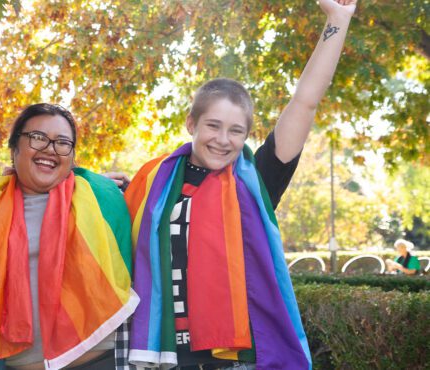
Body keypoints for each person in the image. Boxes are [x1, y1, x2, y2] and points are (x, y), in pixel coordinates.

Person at [122, 1, 358, 369]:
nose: (223, 140)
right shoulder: (153, 182)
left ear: (247, 135)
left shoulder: (254, 180)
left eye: (236, 131)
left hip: (234, 357)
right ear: (191, 124)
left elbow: (305, 101)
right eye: (213, 125)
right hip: (163, 355)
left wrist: (338, 20)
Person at [0, 103, 139, 370]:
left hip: (98, 360)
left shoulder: (99, 198)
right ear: (15, 148)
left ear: (71, 157)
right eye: (37, 138)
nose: (49, 148)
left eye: (62, 142)